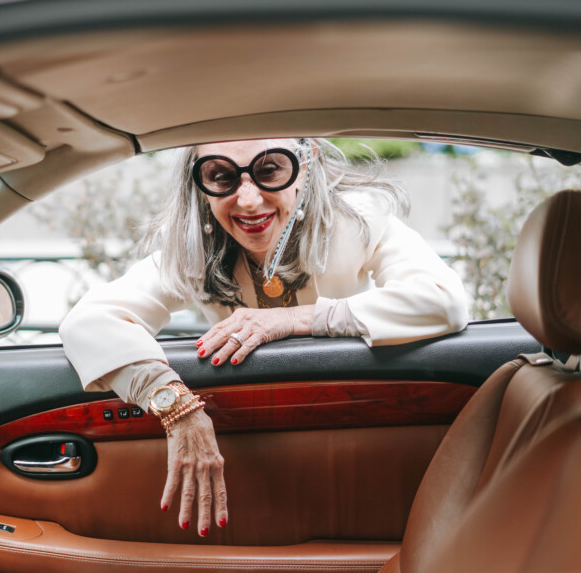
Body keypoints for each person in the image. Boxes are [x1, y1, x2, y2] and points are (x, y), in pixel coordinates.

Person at [59, 138, 469, 538]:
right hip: (257, 437)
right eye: (221, 177)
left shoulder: (359, 219)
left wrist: (296, 319)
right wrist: (177, 409)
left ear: (305, 165)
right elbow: (89, 320)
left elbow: (443, 300)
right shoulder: (191, 247)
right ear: (199, 187)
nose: (249, 200)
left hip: (359, 422)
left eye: (270, 170)